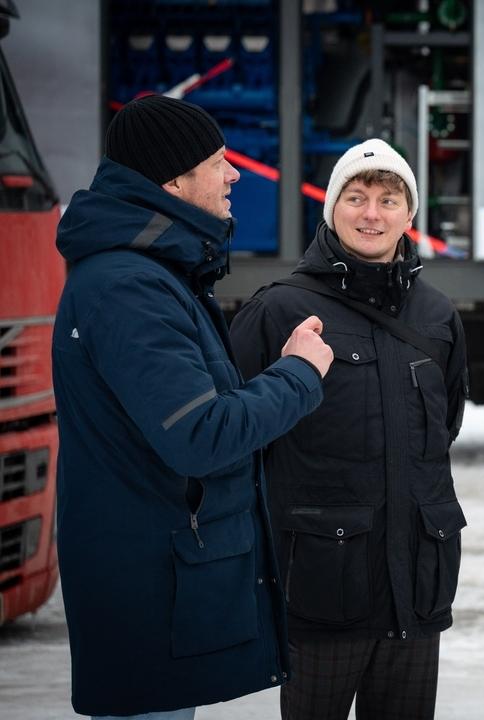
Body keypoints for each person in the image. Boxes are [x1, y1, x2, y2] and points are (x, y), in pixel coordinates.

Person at [52, 95, 334, 719]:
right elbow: (200, 434)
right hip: (144, 594)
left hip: (150, 586)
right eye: (218, 161)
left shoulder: (148, 273)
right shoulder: (131, 286)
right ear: (174, 180)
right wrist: (299, 374)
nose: (234, 174)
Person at [229, 138, 469, 720]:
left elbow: (446, 426)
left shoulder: (437, 316)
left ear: (409, 215)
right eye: (356, 197)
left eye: (389, 200)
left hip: (416, 588)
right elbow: (236, 432)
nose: (371, 213)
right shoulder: (279, 309)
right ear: (331, 208)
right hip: (321, 590)